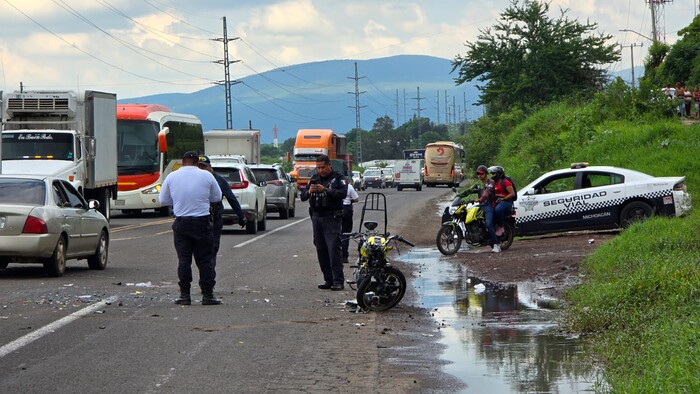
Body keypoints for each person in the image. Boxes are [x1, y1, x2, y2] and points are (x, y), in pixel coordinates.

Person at [159, 151, 223, 306]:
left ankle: (185, 295)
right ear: (197, 162)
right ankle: (207, 295)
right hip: (202, 222)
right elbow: (217, 197)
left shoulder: (172, 176)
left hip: (181, 223)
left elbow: (163, 200)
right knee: (205, 261)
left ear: (183, 162)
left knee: (184, 260)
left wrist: (178, 202)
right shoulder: (207, 176)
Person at [300, 154, 348, 291]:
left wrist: (325, 190)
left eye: (323, 167)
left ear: (329, 165)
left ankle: (338, 281)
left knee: (333, 248)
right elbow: (303, 197)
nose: (321, 170)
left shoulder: (338, 178)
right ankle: (328, 279)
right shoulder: (314, 178)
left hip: (331, 217)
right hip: (316, 216)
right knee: (321, 249)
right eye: (318, 168)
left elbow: (342, 194)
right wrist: (309, 191)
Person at [197, 155, 246, 267]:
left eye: (203, 167)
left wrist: (241, 216)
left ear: (210, 167)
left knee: (212, 248)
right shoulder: (192, 180)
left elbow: (231, 199)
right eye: (198, 167)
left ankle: (208, 278)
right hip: (198, 220)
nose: (201, 169)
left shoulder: (218, 180)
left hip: (214, 218)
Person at [469, 165, 499, 252]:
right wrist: (459, 195)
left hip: (489, 206)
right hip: (481, 205)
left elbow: (486, 193)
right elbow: (469, 190)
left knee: (488, 224)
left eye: (481, 174)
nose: (479, 175)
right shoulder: (478, 183)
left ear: (485, 174)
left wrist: (480, 199)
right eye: (477, 174)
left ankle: (496, 245)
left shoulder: (491, 182)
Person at [488, 166, 516, 254]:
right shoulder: (493, 183)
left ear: (499, 174)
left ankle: (501, 227)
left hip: (506, 202)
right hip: (497, 201)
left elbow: (512, 194)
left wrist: (503, 198)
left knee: (498, 209)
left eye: (494, 173)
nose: (492, 175)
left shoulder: (506, 182)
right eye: (491, 174)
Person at [341, 182, 360, 264]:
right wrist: (349, 200)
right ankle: (344, 256)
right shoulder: (348, 187)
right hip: (346, 209)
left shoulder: (332, 186)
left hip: (335, 210)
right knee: (346, 233)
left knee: (335, 233)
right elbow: (356, 199)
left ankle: (334, 255)